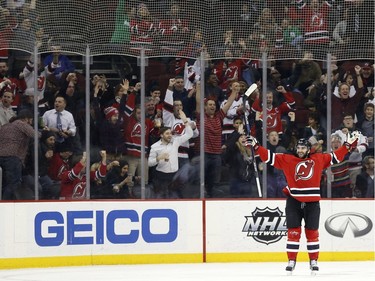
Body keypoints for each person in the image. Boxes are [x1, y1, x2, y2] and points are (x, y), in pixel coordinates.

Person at [247, 134, 358, 274]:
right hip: (294, 201)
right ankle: (291, 260)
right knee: (293, 232)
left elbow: (336, 156)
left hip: (312, 203)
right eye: (298, 148)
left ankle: (313, 260)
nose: (300, 150)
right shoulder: (288, 159)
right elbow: (269, 157)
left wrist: (347, 146)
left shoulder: (318, 158)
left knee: (312, 233)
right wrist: (257, 147)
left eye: (303, 148)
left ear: (308, 149)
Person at [148, 110, 193, 199]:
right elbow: (149, 163)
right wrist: (158, 158)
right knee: (160, 199)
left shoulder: (175, 142)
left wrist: (185, 120)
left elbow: (189, 134)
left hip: (174, 176)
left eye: (171, 133)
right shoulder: (155, 147)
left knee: (175, 198)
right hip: (161, 177)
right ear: (161, 135)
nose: (170, 135)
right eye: (167, 134)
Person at [0, 109, 35, 200]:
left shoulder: (5, 126)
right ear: (27, 119)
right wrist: (43, 132)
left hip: (1, 155)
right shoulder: (21, 124)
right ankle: (5, 204)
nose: (31, 123)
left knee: (3, 183)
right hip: (12, 157)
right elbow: (34, 134)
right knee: (13, 183)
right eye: (31, 120)